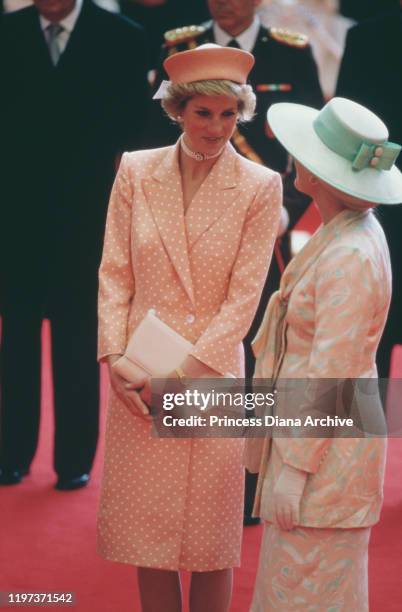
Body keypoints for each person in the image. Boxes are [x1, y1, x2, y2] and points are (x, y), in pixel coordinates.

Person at [97, 43, 282, 612]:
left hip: (210, 373)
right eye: (204, 113)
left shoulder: (260, 185)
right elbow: (114, 271)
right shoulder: (135, 168)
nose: (217, 128)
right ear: (178, 110)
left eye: (229, 115)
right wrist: (115, 360)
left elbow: (243, 300)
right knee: (146, 536)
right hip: (138, 371)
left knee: (211, 540)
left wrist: (180, 379)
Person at [146, 0, 324, 525]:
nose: (227, 4)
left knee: (251, 346)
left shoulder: (292, 53)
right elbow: (155, 138)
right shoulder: (178, 47)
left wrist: (288, 213)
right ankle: (187, 474)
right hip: (189, 220)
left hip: (261, 218)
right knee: (183, 340)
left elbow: (307, 144)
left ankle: (246, 483)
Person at [245, 97, 402, 610]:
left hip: (323, 458)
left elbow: (335, 375)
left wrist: (295, 470)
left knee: (306, 594)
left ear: (320, 173)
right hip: (317, 446)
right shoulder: (346, 232)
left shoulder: (351, 253)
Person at [0, 0, 149, 489]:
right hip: (16, 220)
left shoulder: (121, 35)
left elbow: (136, 134)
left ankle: (74, 460)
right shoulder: (10, 31)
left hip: (88, 219)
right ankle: (11, 452)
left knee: (79, 340)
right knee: (16, 343)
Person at [336, 3, 402, 383]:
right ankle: (361, 417)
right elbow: (348, 118)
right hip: (376, 198)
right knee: (370, 317)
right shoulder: (364, 38)